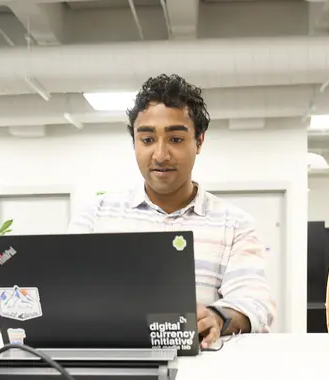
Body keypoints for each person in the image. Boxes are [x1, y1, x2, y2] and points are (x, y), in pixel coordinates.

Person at [67, 74, 277, 348]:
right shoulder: (95, 216)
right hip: (112, 372)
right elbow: (66, 293)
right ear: (134, 142)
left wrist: (217, 317)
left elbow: (255, 302)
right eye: (147, 139)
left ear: (199, 141)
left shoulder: (235, 224)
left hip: (201, 378)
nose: (161, 155)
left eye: (176, 139)